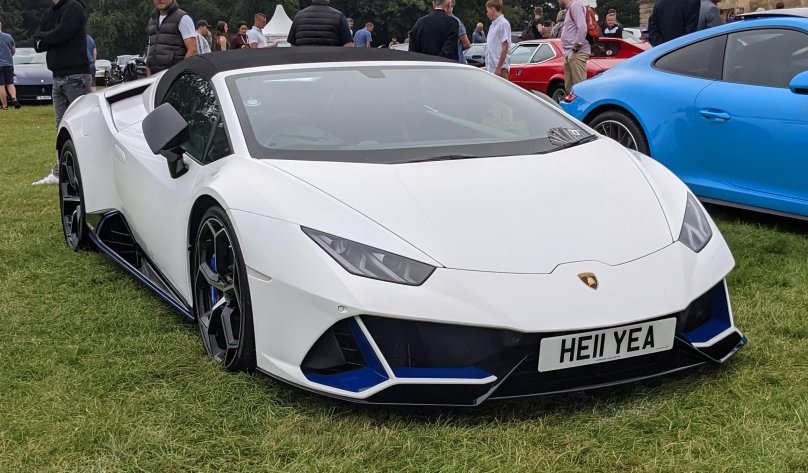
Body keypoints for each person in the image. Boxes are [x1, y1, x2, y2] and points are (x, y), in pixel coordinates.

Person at [32, 0, 93, 185]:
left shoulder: (73, 7)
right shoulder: (50, 12)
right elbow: (37, 43)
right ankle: (61, 171)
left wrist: (46, 37)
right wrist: (47, 37)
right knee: (61, 127)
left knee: (83, 127)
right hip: (57, 78)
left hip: (76, 77)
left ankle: (88, 170)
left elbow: (62, 34)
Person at [145, 0, 197, 75]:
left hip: (175, 78)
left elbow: (193, 50)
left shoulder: (183, 18)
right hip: (155, 77)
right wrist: (149, 76)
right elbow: (151, 50)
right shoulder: (152, 21)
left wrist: (179, 74)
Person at [286, 0, 354, 47]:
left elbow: (292, 45)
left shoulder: (298, 16)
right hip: (330, 62)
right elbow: (348, 46)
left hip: (303, 63)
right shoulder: (339, 16)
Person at [559, 0, 590, 93]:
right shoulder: (570, 8)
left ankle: (581, 107)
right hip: (570, 52)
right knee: (570, 88)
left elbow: (582, 28)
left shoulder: (575, 6)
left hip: (577, 52)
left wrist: (576, 48)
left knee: (579, 88)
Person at [485, 0, 511, 79]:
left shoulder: (503, 23)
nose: (487, 14)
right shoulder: (493, 25)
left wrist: (498, 67)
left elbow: (505, 47)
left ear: (492, 9)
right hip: (492, 67)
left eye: (487, 11)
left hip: (499, 69)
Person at [0, 20, 21, 110]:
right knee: (10, 83)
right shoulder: (8, 36)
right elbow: (13, 50)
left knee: (1, 85)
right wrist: (9, 56)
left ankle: (4, 105)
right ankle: (14, 98)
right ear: (1, 26)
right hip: (8, 63)